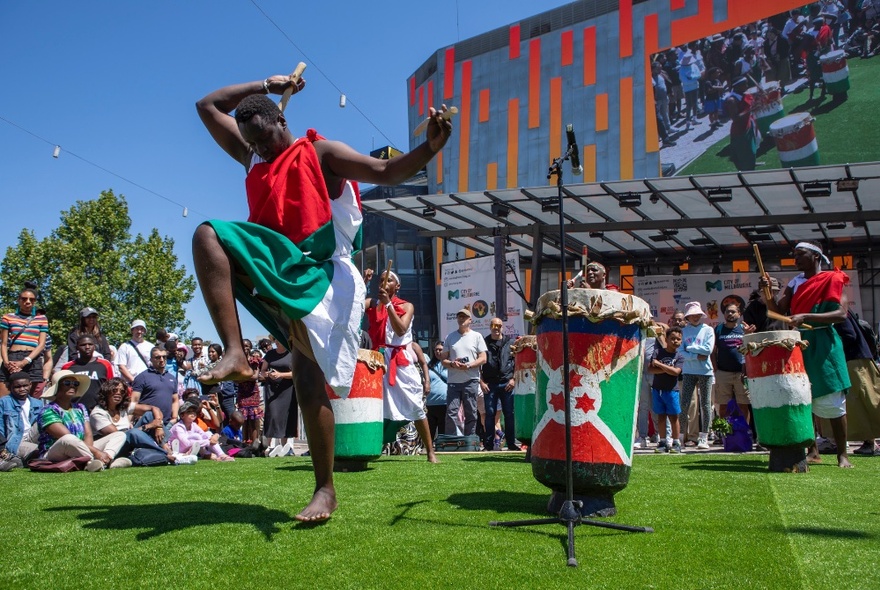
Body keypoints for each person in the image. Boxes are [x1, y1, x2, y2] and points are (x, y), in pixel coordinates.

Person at [194, 73, 451, 520]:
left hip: (318, 273)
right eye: (251, 142)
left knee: (309, 381)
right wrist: (266, 82)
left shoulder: (319, 152)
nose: (259, 148)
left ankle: (325, 490)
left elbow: (387, 172)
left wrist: (428, 148)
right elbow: (207, 106)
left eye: (264, 139)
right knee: (207, 236)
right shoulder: (253, 158)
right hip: (277, 265)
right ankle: (235, 352)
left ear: (281, 123)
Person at [762, 241, 852, 468]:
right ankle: (813, 450)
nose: (796, 259)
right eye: (794, 255)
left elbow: (841, 314)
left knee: (832, 395)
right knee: (802, 394)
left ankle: (843, 454)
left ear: (815, 256)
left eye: (800, 254)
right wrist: (769, 292)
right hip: (799, 342)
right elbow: (776, 312)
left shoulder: (833, 278)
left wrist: (805, 316)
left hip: (824, 343)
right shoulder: (795, 283)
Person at [365, 271, 438, 463]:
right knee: (375, 407)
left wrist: (388, 304)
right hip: (378, 359)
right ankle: (370, 449)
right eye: (381, 280)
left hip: (400, 360)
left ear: (397, 287)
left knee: (415, 403)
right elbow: (352, 307)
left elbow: (401, 329)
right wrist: (363, 283)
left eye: (388, 280)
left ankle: (430, 452)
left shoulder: (407, 306)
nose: (383, 282)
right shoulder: (372, 303)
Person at [36, 370, 127, 471]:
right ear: (57, 387)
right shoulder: (48, 411)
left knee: (120, 435)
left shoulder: (80, 407)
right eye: (67, 383)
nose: (72, 386)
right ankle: (96, 461)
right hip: (55, 452)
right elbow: (65, 437)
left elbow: (88, 434)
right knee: (69, 438)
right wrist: (96, 452)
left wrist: (95, 450)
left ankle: (105, 459)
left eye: (75, 383)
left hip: (83, 448)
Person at [89, 378, 175, 464]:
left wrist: (158, 426)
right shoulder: (98, 413)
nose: (118, 393)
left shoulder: (123, 407)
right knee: (132, 432)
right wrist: (148, 426)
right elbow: (118, 435)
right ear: (106, 392)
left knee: (149, 415)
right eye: (114, 390)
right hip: (114, 446)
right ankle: (165, 454)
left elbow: (154, 408)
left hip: (129, 438)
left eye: (122, 392)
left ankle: (165, 447)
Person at [442, 308, 487, 437]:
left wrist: (468, 366)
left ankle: (470, 440)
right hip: (453, 381)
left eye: (464, 317)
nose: (461, 319)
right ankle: (450, 439)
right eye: (459, 317)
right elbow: (443, 359)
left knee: (471, 412)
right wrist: (452, 363)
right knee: (451, 412)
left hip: (471, 380)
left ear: (470, 320)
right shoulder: (450, 337)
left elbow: (483, 358)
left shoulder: (476, 336)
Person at [678, 301, 715, 450]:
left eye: (698, 314)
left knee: (705, 404)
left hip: (705, 371)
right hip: (688, 371)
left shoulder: (708, 330)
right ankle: (680, 437)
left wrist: (691, 349)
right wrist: (695, 355)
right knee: (685, 404)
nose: (695, 317)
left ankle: (704, 437)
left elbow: (708, 350)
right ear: (687, 317)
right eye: (692, 315)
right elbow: (680, 351)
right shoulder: (683, 331)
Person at [0, 287, 48, 397]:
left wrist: (25, 362)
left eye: (31, 299)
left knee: (29, 400)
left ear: (35, 302)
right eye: (24, 299)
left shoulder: (42, 319)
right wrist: (7, 363)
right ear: (18, 300)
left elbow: (41, 344)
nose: (28, 302)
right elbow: (3, 343)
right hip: (12, 359)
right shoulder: (8, 317)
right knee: (4, 400)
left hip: (32, 360)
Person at [480, 318, 519, 451]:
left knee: (509, 413)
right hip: (489, 384)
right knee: (489, 414)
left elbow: (517, 362)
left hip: (507, 382)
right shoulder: (484, 343)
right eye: (493, 325)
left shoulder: (510, 342)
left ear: (502, 327)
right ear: (490, 327)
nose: (496, 328)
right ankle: (488, 445)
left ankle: (511, 444)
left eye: (498, 326)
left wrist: (514, 379)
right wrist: (481, 381)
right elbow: (478, 363)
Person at [712, 304, 752, 423]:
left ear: (739, 314)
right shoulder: (718, 329)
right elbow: (713, 352)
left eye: (733, 312)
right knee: (723, 406)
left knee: (743, 405)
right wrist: (716, 370)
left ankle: (745, 432)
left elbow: (750, 351)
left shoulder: (744, 329)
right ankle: (724, 433)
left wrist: (748, 334)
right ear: (724, 314)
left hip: (741, 372)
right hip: (723, 373)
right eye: (727, 312)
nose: (730, 314)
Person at [649, 327, 684, 453]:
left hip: (672, 390)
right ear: (666, 339)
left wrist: (660, 365)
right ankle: (663, 441)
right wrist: (667, 369)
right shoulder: (658, 352)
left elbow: (676, 372)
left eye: (678, 339)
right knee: (661, 416)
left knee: (674, 417)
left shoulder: (679, 357)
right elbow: (651, 369)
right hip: (657, 389)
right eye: (672, 338)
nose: (675, 341)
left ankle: (676, 442)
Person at [259, 336, 298, 449]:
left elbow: (296, 373)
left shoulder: (292, 354)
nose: (277, 342)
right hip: (272, 389)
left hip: (288, 389)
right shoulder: (270, 354)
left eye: (279, 339)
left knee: (286, 416)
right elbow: (263, 371)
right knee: (272, 415)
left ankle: (285, 446)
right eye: (276, 339)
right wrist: (268, 375)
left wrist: (280, 375)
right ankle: (266, 446)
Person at [60, 334, 115, 411]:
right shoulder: (67, 367)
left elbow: (111, 388)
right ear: (77, 348)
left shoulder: (105, 365)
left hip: (98, 410)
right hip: (74, 411)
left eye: (90, 344)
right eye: (83, 345)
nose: (87, 347)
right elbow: (62, 391)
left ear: (94, 346)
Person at [131, 346, 180, 429]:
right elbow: (133, 402)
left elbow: (175, 400)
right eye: (157, 357)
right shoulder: (142, 377)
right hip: (148, 422)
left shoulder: (172, 378)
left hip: (167, 424)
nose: (161, 360)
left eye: (164, 357)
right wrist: (134, 418)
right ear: (151, 360)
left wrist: (174, 418)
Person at [168, 400, 234, 461]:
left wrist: (214, 436)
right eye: (189, 412)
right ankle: (205, 454)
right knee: (197, 436)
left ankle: (221, 455)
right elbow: (186, 444)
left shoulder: (193, 425)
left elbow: (203, 434)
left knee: (207, 433)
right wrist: (208, 442)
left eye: (194, 411)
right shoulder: (178, 427)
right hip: (176, 451)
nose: (193, 413)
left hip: (189, 448)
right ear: (182, 415)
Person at [0, 371, 44, 461]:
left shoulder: (38, 403)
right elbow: (0, 428)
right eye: (17, 387)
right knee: (39, 451)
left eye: (25, 386)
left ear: (30, 384)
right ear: (10, 387)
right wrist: (2, 448)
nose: (22, 389)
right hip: (16, 441)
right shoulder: (4, 402)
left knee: (46, 419)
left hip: (33, 437)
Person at [724, 77, 761, 172]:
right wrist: (750, 110)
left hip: (747, 125)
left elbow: (751, 103)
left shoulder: (743, 95)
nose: (747, 86)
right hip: (740, 131)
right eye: (745, 84)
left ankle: (751, 165)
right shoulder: (731, 100)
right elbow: (735, 118)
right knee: (743, 154)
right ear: (738, 86)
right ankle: (746, 171)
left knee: (751, 150)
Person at [236, 339, 264, 444]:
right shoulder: (237, 360)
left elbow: (255, 376)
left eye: (247, 346)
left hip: (253, 392)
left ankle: (255, 442)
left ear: (250, 347)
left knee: (253, 419)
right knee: (244, 420)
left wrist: (242, 377)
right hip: (242, 393)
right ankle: (245, 442)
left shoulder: (254, 360)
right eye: (243, 346)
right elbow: (235, 379)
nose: (245, 348)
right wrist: (248, 376)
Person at [115, 319, 154, 384]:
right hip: (130, 384)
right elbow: (121, 367)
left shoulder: (151, 346)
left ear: (144, 331)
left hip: (148, 383)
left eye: (141, 329)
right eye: (137, 329)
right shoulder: (124, 346)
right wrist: (134, 381)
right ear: (132, 331)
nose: (139, 331)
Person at [425, 341, 448, 439]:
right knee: (430, 430)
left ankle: (442, 448)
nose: (438, 352)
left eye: (440, 350)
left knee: (443, 430)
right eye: (436, 350)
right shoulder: (429, 365)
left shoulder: (449, 364)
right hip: (430, 403)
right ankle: (428, 449)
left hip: (445, 402)